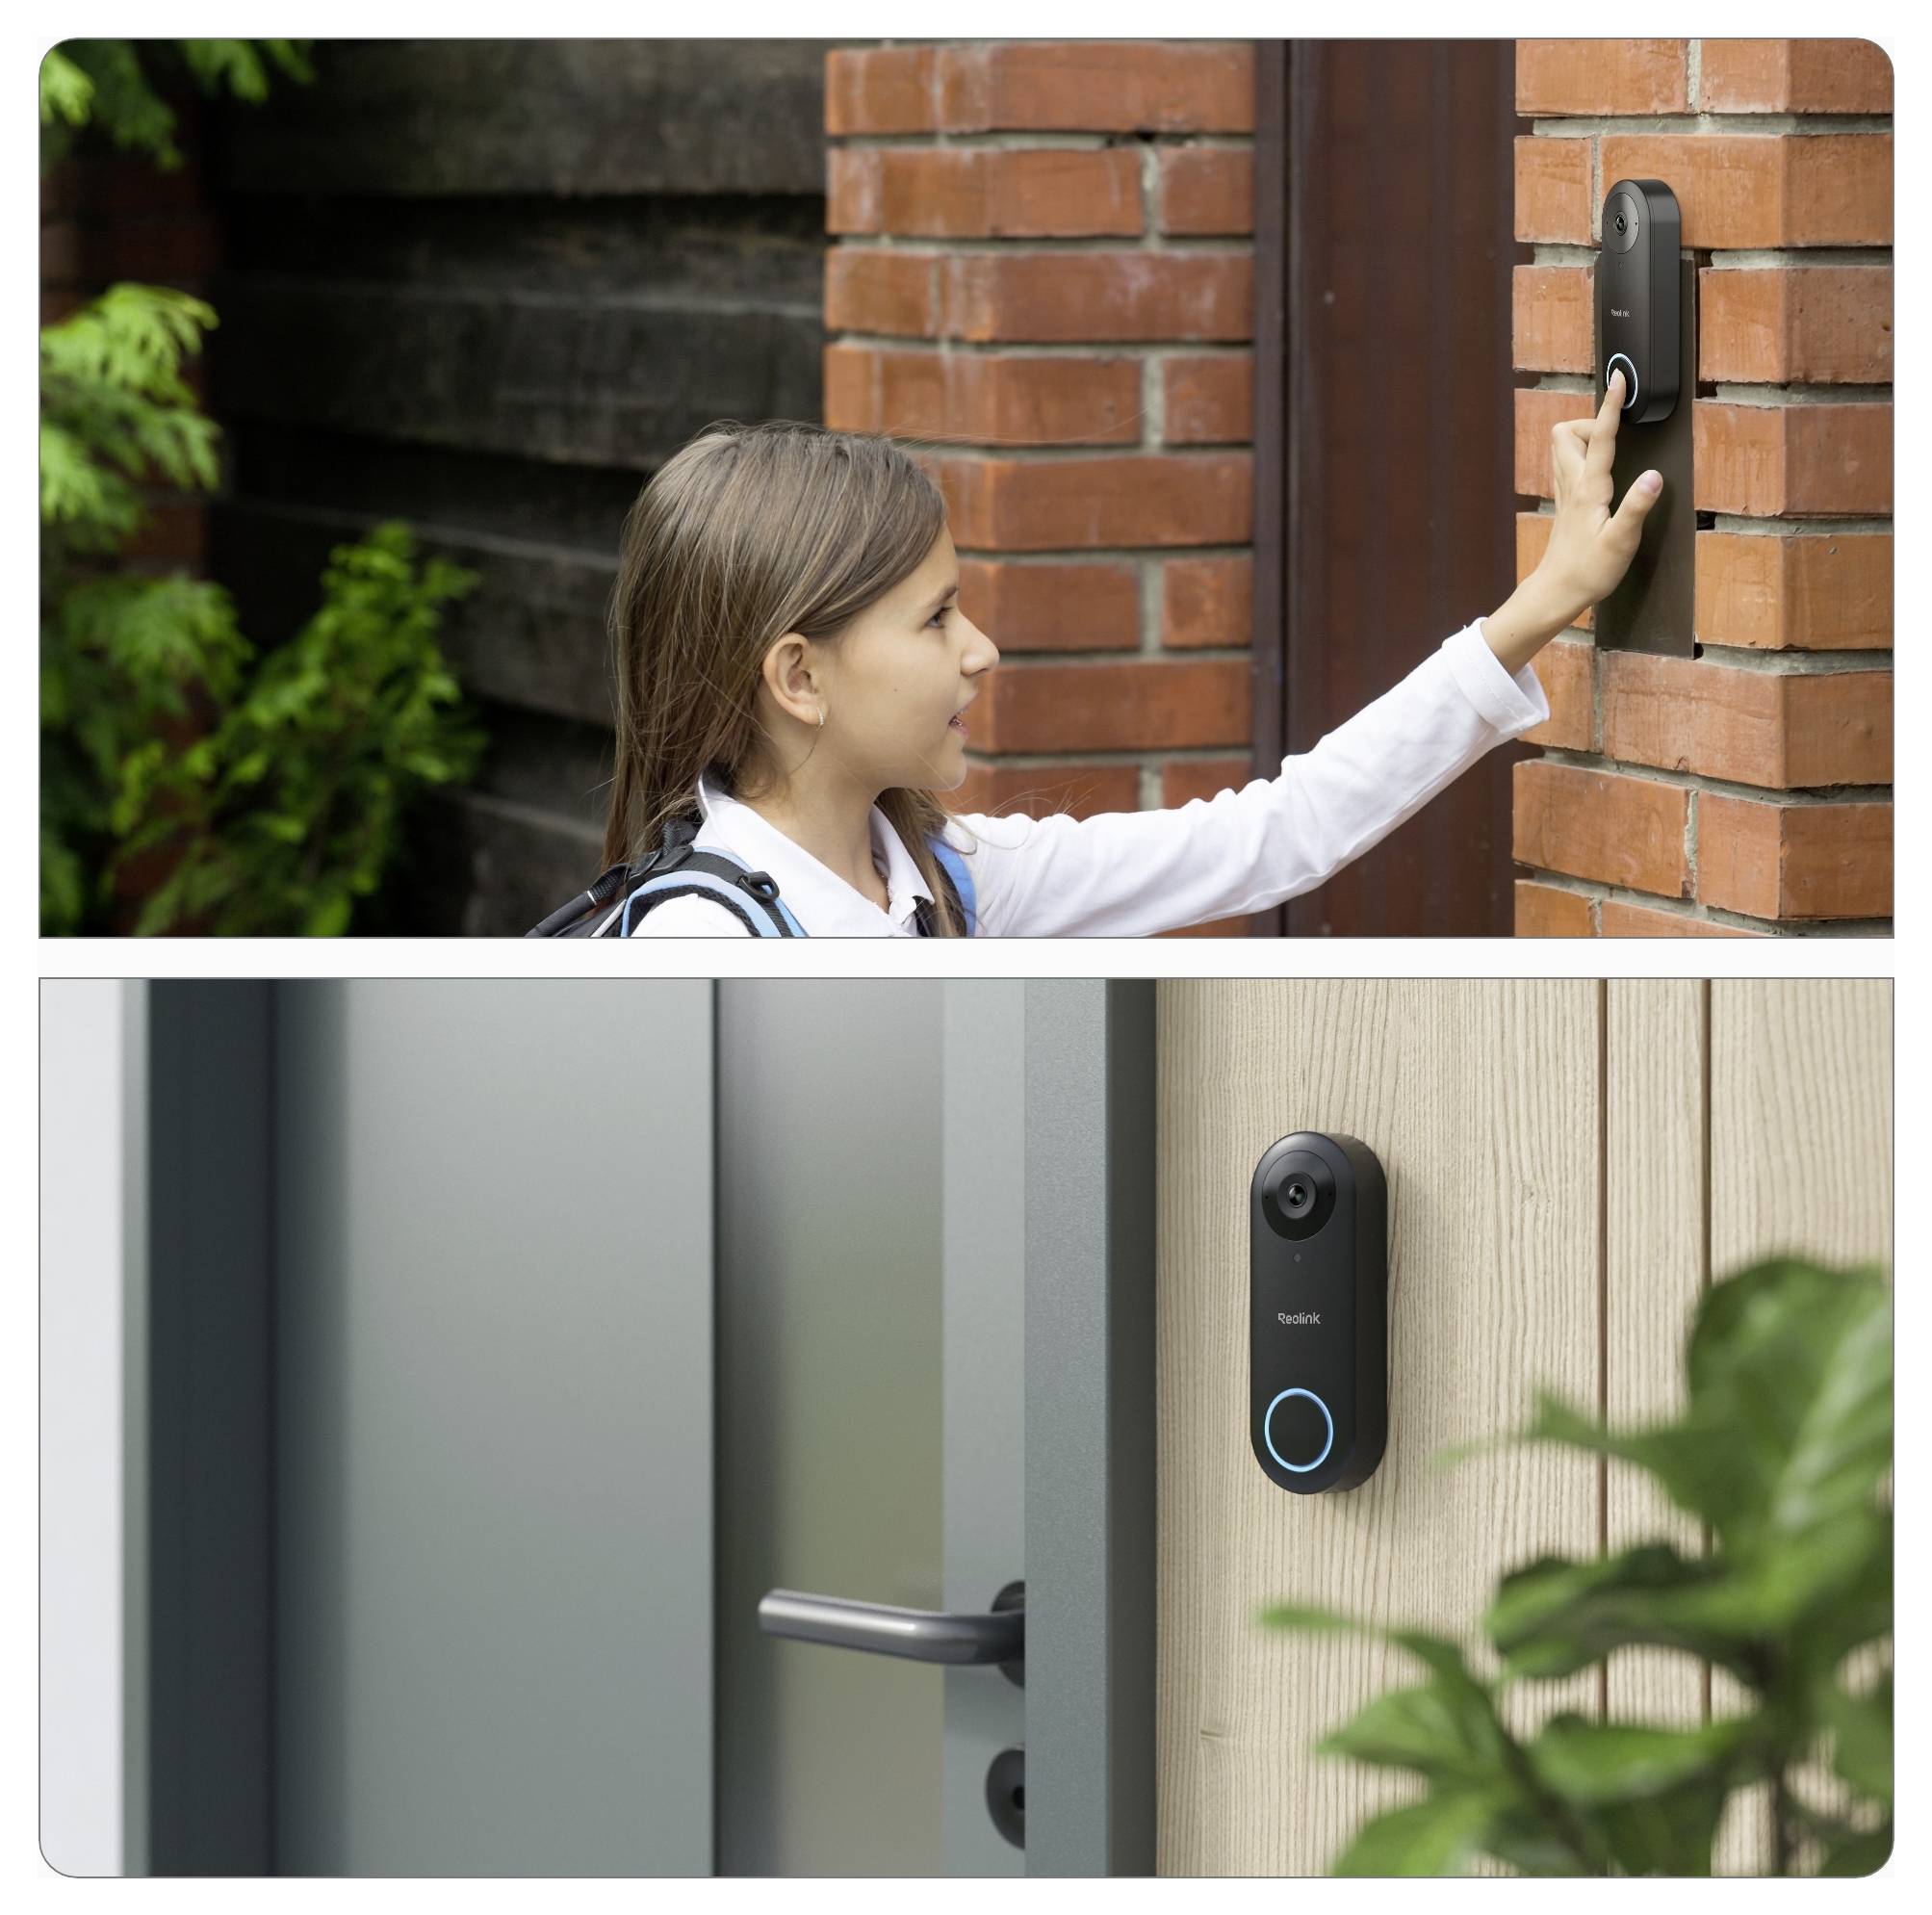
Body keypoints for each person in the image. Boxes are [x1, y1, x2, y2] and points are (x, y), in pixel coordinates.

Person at [599, 369, 1658, 937]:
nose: (982, 651)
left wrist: (1545, 599)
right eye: (936, 620)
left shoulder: (951, 880)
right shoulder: (698, 945)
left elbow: (1276, 834)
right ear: (799, 677)